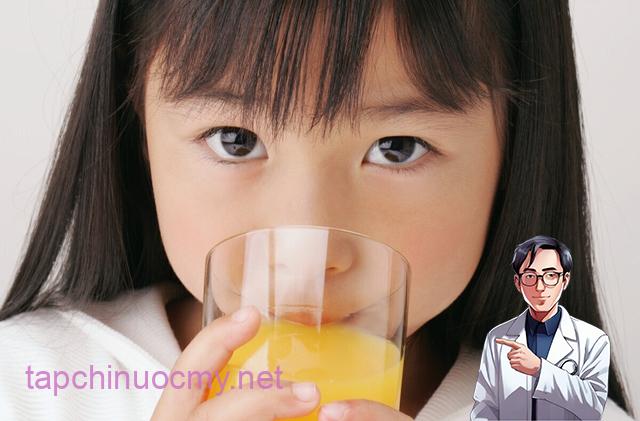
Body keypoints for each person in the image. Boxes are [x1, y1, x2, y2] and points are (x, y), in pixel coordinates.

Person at [0, 1, 635, 420]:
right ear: (138, 128)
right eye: (235, 140)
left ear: (516, 146)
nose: (308, 255)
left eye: (397, 147)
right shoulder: (28, 385)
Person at [471, 236, 611, 420]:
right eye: (530, 276)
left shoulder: (593, 340)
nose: (540, 286)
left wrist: (540, 369)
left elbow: (594, 409)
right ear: (518, 282)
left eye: (550, 275)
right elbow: (484, 407)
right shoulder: (498, 337)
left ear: (565, 280)